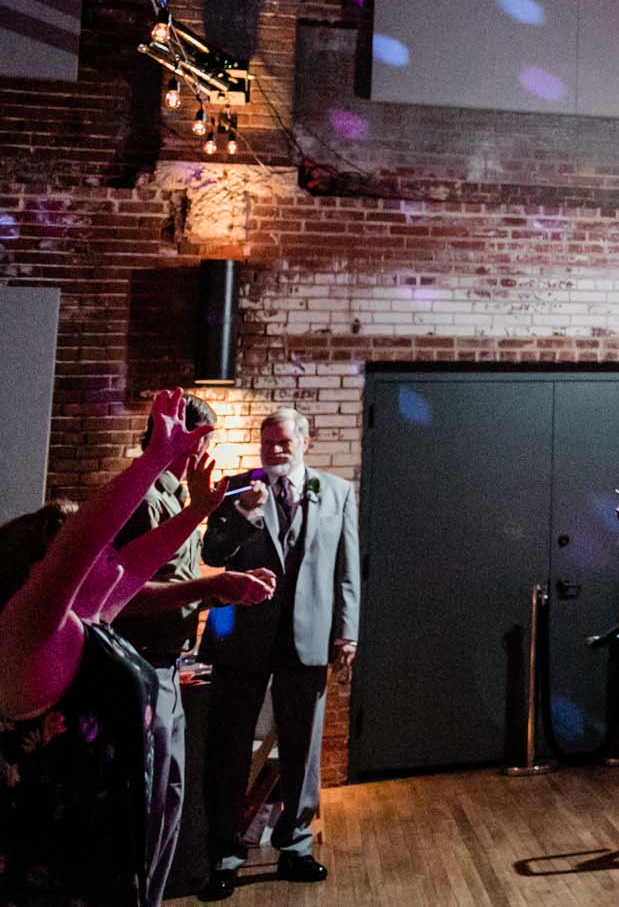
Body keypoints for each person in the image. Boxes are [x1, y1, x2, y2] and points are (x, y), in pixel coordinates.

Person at [0, 388, 222, 905]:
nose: (106, 552)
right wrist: (154, 459)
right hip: (55, 871)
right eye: (83, 551)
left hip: (106, 857)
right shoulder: (31, 633)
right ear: (42, 570)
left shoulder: (88, 617)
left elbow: (136, 564)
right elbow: (82, 543)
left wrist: (198, 510)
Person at [113, 395, 276, 907]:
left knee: (169, 804)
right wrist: (214, 586)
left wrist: (230, 582)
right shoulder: (144, 502)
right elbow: (125, 594)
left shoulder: (178, 497)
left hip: (168, 667)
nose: (210, 452)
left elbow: (182, 575)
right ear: (187, 441)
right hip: (143, 669)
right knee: (149, 811)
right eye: (205, 442)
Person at [197, 408, 360, 901]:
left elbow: (347, 569)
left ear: (305, 443)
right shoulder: (237, 486)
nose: (275, 450)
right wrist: (245, 513)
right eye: (268, 442)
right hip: (241, 638)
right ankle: (224, 855)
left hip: (306, 638)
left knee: (303, 749)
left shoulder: (337, 492)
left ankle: (296, 845)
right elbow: (213, 555)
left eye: (285, 442)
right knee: (227, 750)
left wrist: (346, 633)